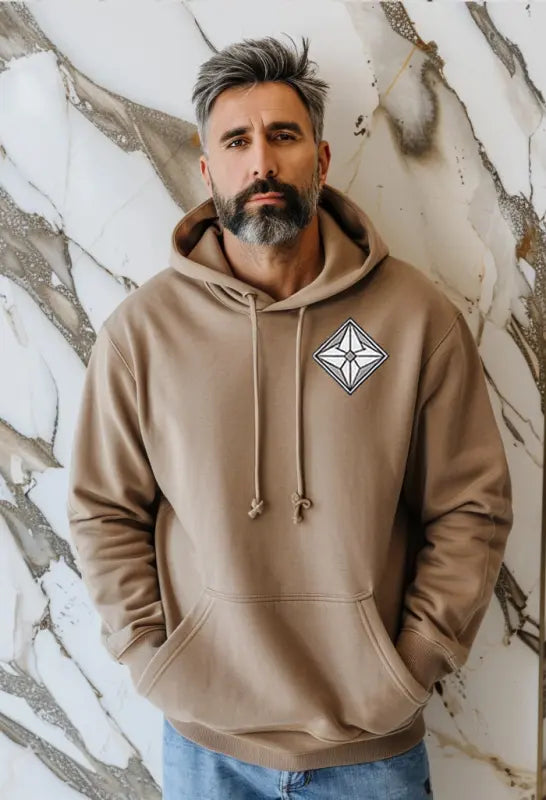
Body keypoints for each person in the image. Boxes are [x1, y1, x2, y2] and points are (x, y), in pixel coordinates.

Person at [66, 34, 513, 799]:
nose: (262, 163)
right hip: (207, 745)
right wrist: (150, 654)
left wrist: (413, 662)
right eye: (236, 142)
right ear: (207, 171)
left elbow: (470, 505)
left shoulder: (410, 319)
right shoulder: (143, 334)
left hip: (371, 750)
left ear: (322, 159)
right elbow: (104, 509)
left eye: (283, 136)